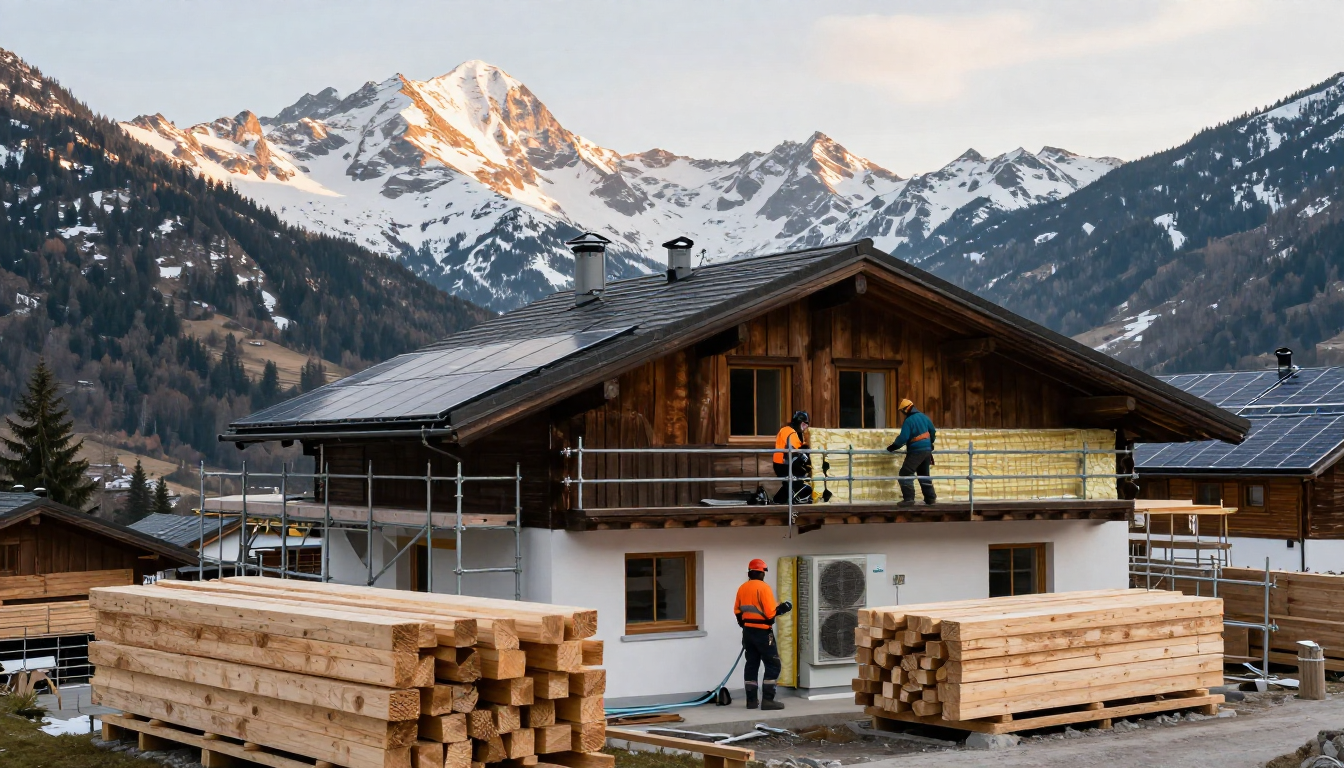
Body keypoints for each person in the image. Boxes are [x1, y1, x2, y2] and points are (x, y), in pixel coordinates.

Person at [734, 559, 792, 710]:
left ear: (749, 573)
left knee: (751, 665)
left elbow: (738, 612)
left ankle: (751, 701)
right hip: (763, 633)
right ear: (761, 573)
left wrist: (746, 627)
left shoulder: (742, 588)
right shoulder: (764, 588)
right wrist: (783, 608)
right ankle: (768, 701)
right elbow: (769, 615)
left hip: (748, 632)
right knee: (773, 664)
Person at [886, 398, 937, 506]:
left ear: (906, 409)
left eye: (902, 411)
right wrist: (930, 443)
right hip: (927, 451)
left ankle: (909, 499)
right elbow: (932, 431)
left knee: (905, 473)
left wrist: (893, 447)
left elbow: (903, 438)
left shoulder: (909, 421)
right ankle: (930, 498)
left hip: (916, 451)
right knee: (924, 474)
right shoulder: (924, 417)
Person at [772, 411, 813, 504]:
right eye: (803, 424)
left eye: (806, 424)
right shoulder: (791, 432)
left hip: (779, 463)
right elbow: (797, 451)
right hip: (784, 464)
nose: (805, 427)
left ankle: (778, 501)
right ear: (798, 423)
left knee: (788, 484)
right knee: (796, 483)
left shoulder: (785, 429)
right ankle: (797, 496)